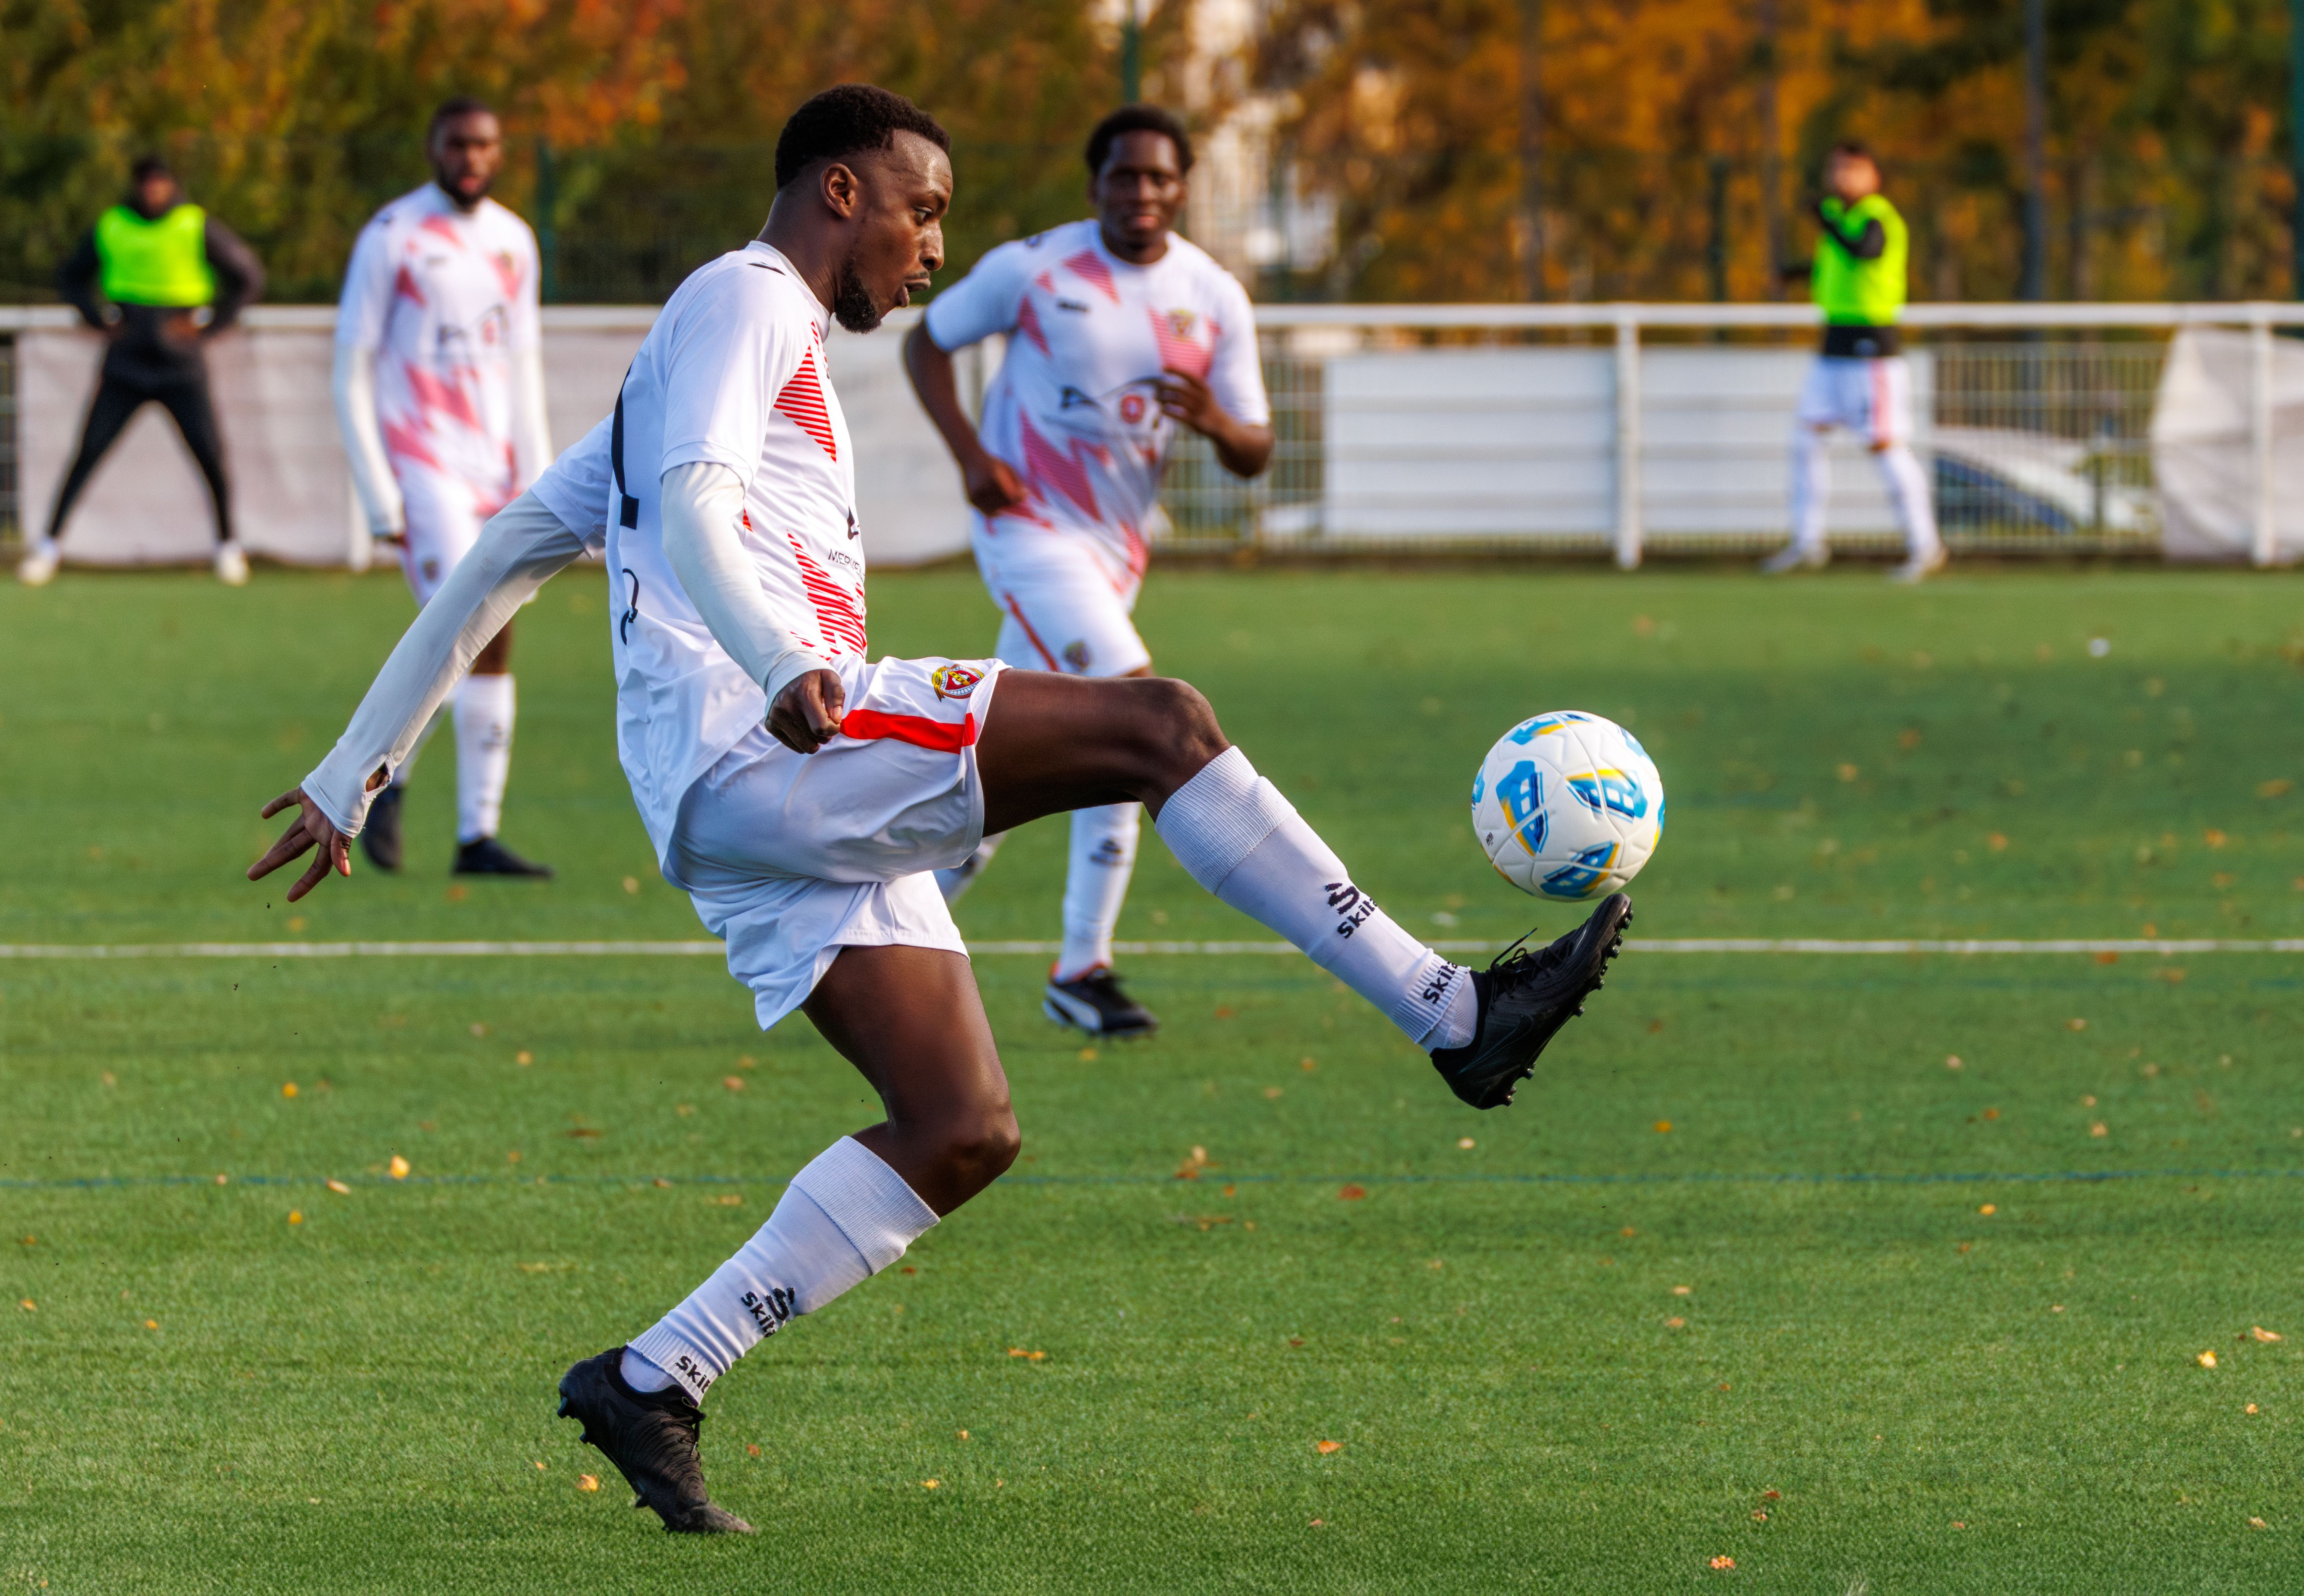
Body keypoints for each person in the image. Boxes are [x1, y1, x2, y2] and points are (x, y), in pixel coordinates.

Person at [247, 84, 1631, 1535]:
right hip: (771, 747)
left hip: (743, 794)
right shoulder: (746, 301)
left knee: (961, 1126)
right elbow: (701, 498)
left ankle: (654, 1378)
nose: (927, 251)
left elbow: (504, 557)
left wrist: (351, 776)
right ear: (841, 192)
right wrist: (785, 662)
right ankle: (1450, 1020)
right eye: (923, 211)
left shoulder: (690, 348)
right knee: (1159, 725)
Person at [902, 104, 1274, 1038]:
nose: (1139, 192)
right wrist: (969, 458)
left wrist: (1221, 427)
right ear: (1093, 184)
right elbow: (926, 340)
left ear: (1180, 188)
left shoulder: (1212, 295)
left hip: (1116, 552)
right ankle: (1083, 966)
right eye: (1122, 176)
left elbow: (1255, 450)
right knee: (1129, 708)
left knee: (988, 758)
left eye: (1157, 178)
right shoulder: (1036, 268)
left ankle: (888, 935)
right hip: (1026, 529)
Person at [334, 97, 555, 877]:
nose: (472, 157)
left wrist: (543, 471)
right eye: (459, 143)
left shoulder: (513, 240)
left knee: (494, 633)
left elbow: (523, 364)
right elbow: (351, 365)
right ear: (433, 146)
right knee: (456, 624)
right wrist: (375, 494)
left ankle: (471, 834)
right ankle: (376, 784)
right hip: (423, 468)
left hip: (497, 471)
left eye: (486, 145)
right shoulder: (392, 236)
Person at [21, 157, 264, 587]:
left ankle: (228, 546)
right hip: (127, 362)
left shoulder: (194, 224)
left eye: (161, 182)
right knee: (89, 451)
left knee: (210, 455)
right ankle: (48, 547)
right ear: (136, 186)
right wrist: (99, 320)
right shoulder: (113, 225)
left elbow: (247, 277)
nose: (153, 190)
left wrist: (209, 329)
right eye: (146, 183)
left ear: (172, 185)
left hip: (181, 364)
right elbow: (72, 277)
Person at [1762, 140, 1943, 584]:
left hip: (1871, 355)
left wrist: (1825, 220)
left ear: (1873, 176)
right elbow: (1836, 269)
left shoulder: (1877, 217)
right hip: (1832, 352)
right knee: (1807, 438)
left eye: (1851, 169)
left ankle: (1925, 544)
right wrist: (1792, 273)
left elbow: (1865, 251)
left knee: (1886, 447)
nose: (1840, 177)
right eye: (1835, 168)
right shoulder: (1841, 222)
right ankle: (1808, 541)